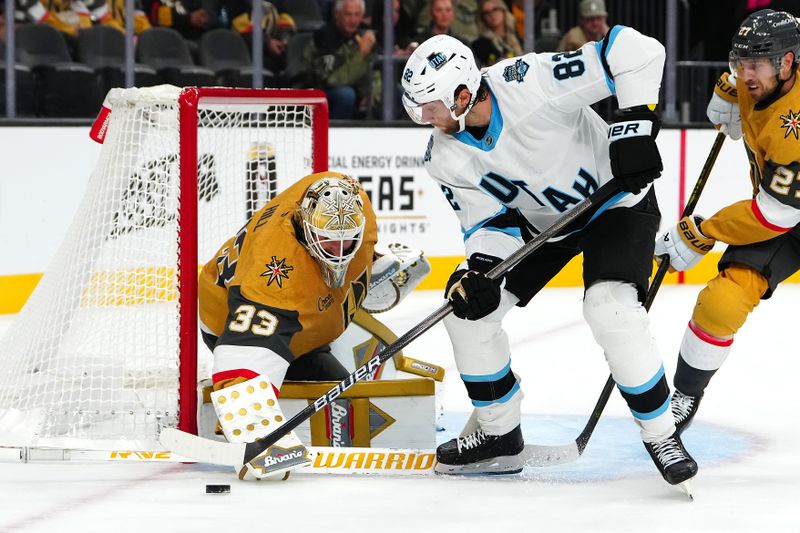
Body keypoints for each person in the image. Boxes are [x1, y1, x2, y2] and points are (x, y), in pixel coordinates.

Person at [400, 30, 698, 489]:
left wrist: (633, 125)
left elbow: (637, 50)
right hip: (545, 227)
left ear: (461, 94)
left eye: (429, 106)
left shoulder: (529, 82)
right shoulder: (444, 157)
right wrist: (479, 271)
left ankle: (661, 434)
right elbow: (489, 224)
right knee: (464, 314)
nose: (423, 117)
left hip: (616, 203)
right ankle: (500, 435)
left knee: (609, 308)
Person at [655, 10, 800, 438]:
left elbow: (774, 213)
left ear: (788, 62)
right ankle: (685, 394)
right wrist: (731, 85)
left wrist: (704, 231)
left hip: (782, 211)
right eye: (741, 62)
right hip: (788, 213)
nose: (746, 73)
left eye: (755, 65)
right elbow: (736, 86)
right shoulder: (759, 76)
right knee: (721, 301)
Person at [198, 171, 378, 479]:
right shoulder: (271, 280)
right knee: (343, 398)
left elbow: (347, 238)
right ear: (306, 230)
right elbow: (240, 353)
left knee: (347, 396)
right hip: (230, 317)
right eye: (328, 242)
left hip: (300, 315)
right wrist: (252, 429)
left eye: (348, 241)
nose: (339, 251)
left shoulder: (352, 198)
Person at [301, 0, 377, 119]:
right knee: (346, 95)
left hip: (354, 90)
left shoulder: (362, 37)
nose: (353, 20)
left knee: (396, 92)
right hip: (319, 89)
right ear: (337, 14)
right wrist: (361, 54)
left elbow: (376, 73)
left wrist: (372, 94)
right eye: (348, 14)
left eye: (357, 15)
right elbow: (332, 81)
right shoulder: (324, 37)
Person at [471, 0, 523, 67]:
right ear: (482, 18)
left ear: (503, 11)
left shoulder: (518, 38)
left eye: (495, 9)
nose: (491, 14)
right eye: (486, 12)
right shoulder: (479, 45)